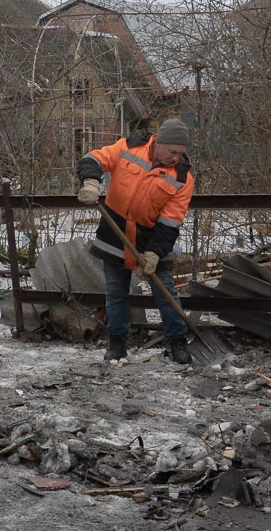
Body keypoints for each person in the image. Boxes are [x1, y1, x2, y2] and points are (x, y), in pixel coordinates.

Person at [77, 119, 197, 364]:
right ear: (158, 142)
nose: (175, 158)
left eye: (181, 153)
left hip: (152, 237)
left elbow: (170, 222)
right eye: (172, 151)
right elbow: (93, 159)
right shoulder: (128, 148)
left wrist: (153, 254)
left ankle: (177, 341)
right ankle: (117, 344)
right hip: (115, 231)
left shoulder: (183, 178)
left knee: (166, 293)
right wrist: (91, 181)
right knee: (116, 293)